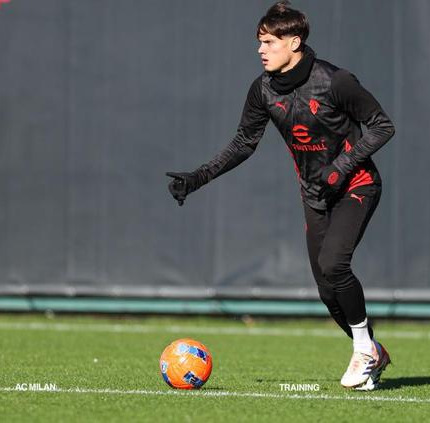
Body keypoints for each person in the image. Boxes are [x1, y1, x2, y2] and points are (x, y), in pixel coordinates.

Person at [166, 1, 395, 388]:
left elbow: (382, 126)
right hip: (315, 195)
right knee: (327, 289)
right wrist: (197, 178)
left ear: (294, 42)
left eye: (269, 42)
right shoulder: (263, 90)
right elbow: (243, 143)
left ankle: (363, 350)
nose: (261, 49)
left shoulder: (335, 81)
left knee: (334, 264)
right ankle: (372, 350)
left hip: (356, 185)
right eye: (260, 42)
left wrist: (342, 166)